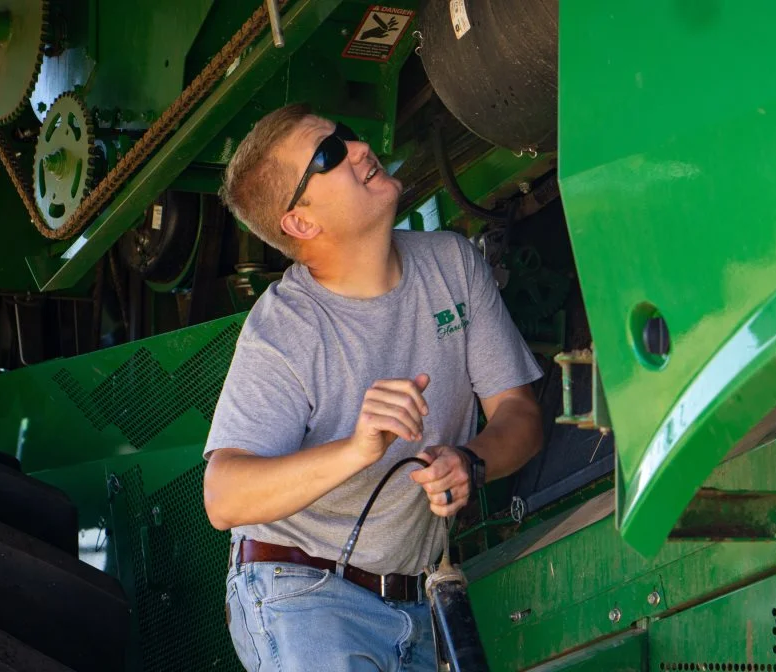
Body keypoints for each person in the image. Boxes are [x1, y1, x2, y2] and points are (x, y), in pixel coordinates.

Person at [202, 102, 544, 671]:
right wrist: (358, 449)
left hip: (414, 600)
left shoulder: (453, 266)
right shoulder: (284, 328)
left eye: (349, 135)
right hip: (302, 593)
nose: (360, 149)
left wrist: (471, 460)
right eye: (329, 155)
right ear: (301, 223)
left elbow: (519, 414)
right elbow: (223, 497)